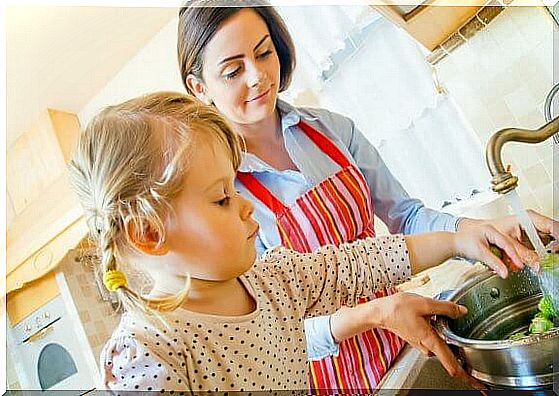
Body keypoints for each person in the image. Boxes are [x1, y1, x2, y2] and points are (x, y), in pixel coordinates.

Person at [176, 2, 558, 391]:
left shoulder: (331, 130)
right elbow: (264, 334)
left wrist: (478, 231)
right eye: (233, 70)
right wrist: (372, 314)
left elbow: (406, 218)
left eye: (264, 53)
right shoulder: (220, 194)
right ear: (199, 87)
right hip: (329, 379)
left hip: (404, 341)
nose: (258, 77)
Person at [69, 91, 538, 392]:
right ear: (150, 234)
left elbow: (366, 261)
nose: (245, 205)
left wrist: (460, 240)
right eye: (221, 199)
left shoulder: (270, 278)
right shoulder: (148, 354)